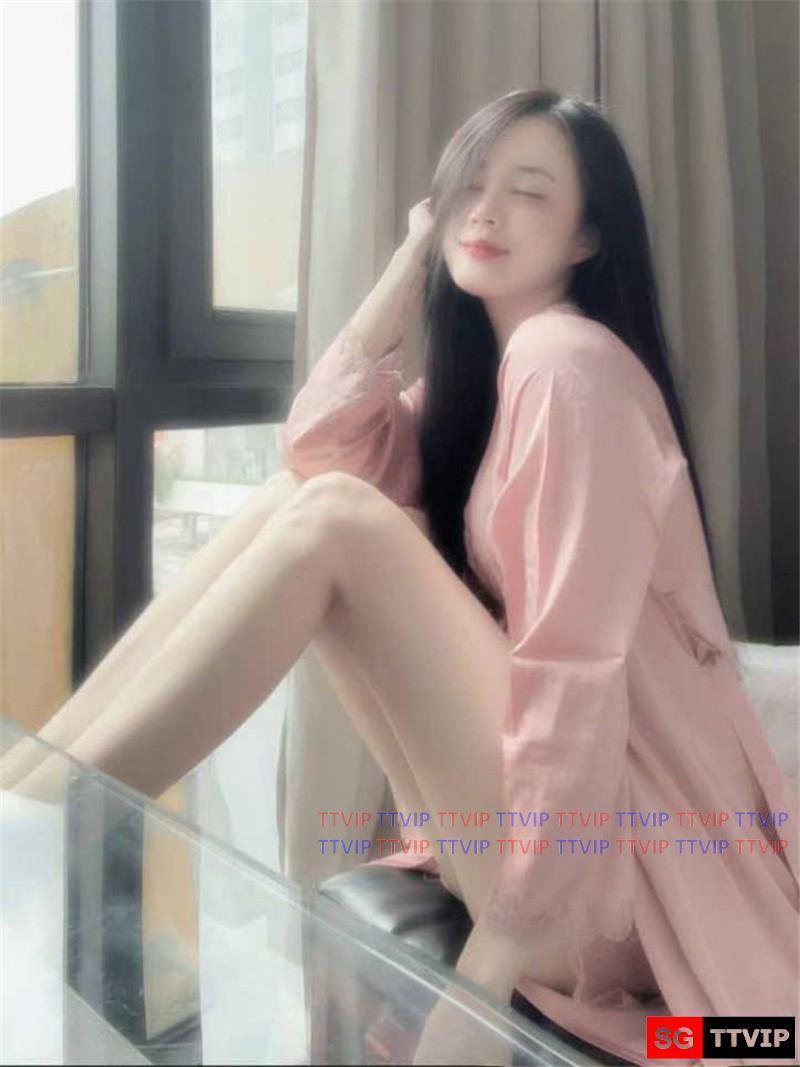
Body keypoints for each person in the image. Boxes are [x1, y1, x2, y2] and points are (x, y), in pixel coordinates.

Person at [2, 88, 797, 1067]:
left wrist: (485, 972)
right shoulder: (497, 375)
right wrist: (411, 256)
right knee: (302, 502)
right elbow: (319, 448)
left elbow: (575, 671)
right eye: (469, 186)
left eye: (528, 192)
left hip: (605, 892)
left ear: (587, 237)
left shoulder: (568, 364)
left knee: (338, 520)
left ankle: (36, 823)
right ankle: (26, 799)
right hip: (540, 855)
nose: (485, 211)